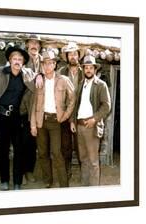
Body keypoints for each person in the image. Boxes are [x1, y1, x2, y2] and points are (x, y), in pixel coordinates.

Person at [0, 45, 36, 190]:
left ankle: (17, 182)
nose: (17, 61)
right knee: (3, 150)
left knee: (19, 150)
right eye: (14, 59)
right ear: (9, 60)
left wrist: (40, 76)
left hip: (18, 118)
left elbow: (38, 76)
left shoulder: (27, 74)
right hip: (2, 116)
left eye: (20, 59)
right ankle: (4, 180)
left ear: (23, 62)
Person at [30, 50, 75, 188]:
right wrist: (33, 125)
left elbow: (73, 99)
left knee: (57, 152)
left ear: (55, 64)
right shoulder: (38, 80)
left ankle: (63, 184)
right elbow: (34, 104)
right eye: (45, 63)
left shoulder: (64, 80)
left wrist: (65, 116)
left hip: (56, 121)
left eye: (50, 63)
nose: (47, 66)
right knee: (43, 153)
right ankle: (48, 180)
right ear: (42, 65)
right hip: (41, 121)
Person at [70, 55, 111, 186]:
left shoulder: (101, 85)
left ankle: (93, 190)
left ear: (95, 69)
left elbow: (106, 106)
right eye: (86, 68)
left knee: (93, 161)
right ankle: (84, 185)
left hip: (91, 125)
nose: (88, 70)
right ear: (83, 69)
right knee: (83, 158)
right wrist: (72, 121)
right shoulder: (81, 84)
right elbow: (75, 105)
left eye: (90, 68)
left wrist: (95, 119)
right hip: (80, 125)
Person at [58, 42, 85, 178]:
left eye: (75, 54)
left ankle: (83, 172)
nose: (73, 57)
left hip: (81, 114)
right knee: (66, 146)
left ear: (78, 56)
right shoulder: (62, 72)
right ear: (67, 57)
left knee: (81, 147)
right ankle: (67, 171)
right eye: (70, 54)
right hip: (65, 114)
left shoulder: (84, 71)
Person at [20, 34, 42, 183]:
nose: (34, 45)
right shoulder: (21, 59)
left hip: (38, 108)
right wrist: (38, 76)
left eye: (36, 43)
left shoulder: (43, 60)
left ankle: (29, 171)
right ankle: (20, 172)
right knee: (21, 141)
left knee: (33, 143)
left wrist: (42, 74)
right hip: (22, 107)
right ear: (27, 45)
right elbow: (25, 78)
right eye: (31, 43)